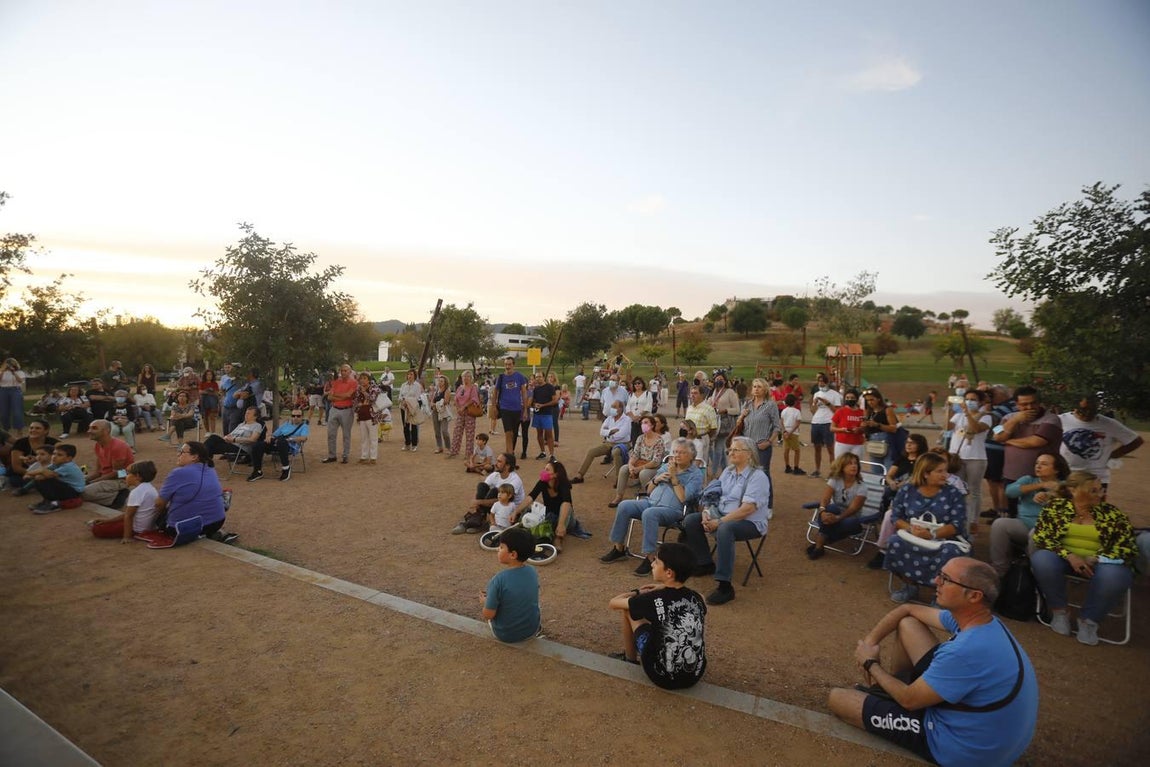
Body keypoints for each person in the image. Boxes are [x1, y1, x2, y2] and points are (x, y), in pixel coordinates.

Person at [828, 557, 1038, 766]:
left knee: (837, 699)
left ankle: (892, 698)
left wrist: (870, 664)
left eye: (946, 579)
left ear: (974, 596)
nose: (936, 581)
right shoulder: (982, 624)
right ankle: (890, 694)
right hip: (990, 738)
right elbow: (908, 610)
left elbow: (909, 700)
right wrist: (871, 642)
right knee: (908, 624)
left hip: (961, 749)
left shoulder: (964, 652)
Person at [1030, 471, 1137, 645]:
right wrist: (1070, 556)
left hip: (1100, 562)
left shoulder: (1112, 514)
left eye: (1100, 490)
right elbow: (1042, 537)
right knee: (1042, 559)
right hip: (1064, 558)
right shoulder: (1056, 507)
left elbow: (1126, 547)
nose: (1100, 495)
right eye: (1093, 491)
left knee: (1115, 576)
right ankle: (1060, 611)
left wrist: (1094, 558)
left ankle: (1089, 621)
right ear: (1073, 490)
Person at [681, 436, 771, 606]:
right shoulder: (728, 471)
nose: (730, 452)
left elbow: (747, 510)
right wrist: (707, 512)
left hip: (750, 523)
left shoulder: (758, 477)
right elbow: (713, 495)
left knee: (725, 529)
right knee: (692, 520)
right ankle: (705, 562)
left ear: (749, 454)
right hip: (722, 514)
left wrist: (720, 521)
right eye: (730, 449)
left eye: (736, 449)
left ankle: (725, 586)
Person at [606, 542, 707, 689]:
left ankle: (630, 659)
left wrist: (637, 593)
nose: (652, 564)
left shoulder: (652, 599)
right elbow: (697, 597)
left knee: (629, 610)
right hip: (694, 676)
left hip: (661, 676)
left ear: (669, 573)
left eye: (657, 562)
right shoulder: (697, 598)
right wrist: (663, 586)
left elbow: (613, 603)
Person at [601, 438, 704, 576]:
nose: (677, 455)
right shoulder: (666, 466)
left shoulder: (695, 474)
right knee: (624, 505)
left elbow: (683, 498)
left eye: (682, 453)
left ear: (691, 456)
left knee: (650, 514)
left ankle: (650, 558)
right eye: (675, 452)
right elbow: (648, 490)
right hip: (651, 501)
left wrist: (674, 478)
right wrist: (656, 480)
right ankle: (619, 548)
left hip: (674, 510)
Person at [884, 453, 969, 604]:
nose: (946, 475)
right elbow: (896, 517)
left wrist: (932, 534)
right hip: (913, 534)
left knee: (949, 552)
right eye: (940, 471)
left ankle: (939, 595)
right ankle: (910, 586)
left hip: (945, 538)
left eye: (946, 471)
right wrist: (911, 529)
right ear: (925, 473)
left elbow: (957, 525)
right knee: (895, 542)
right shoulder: (907, 490)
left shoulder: (953, 494)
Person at [990, 454, 1070, 576]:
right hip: (1024, 524)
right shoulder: (1028, 480)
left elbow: (1072, 503)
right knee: (1000, 523)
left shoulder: (1064, 485)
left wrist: (1052, 495)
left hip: (1050, 528)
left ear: (1057, 469)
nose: (1038, 466)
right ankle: (999, 570)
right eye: (1037, 463)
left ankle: (1036, 573)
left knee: (1036, 533)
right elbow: (1009, 492)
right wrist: (1040, 485)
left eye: (1044, 464)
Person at [993, 385, 1061, 519]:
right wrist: (1015, 420)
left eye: (1033, 403)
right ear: (1017, 404)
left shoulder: (1051, 419)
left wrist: (1008, 441)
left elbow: (1036, 442)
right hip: (1011, 475)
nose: (1029, 408)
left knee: (1036, 511)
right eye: (1024, 404)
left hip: (1040, 476)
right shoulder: (1008, 417)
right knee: (1011, 512)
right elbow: (996, 435)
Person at [1058, 394, 1142, 498]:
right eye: (1084, 409)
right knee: (1063, 509)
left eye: (1092, 410)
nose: (1088, 413)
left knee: (1095, 510)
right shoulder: (1060, 420)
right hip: (1067, 475)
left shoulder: (1108, 424)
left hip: (1097, 477)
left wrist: (1113, 455)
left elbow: (1136, 441)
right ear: (1075, 406)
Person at [155, 441, 228, 540]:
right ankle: (207, 534)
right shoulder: (210, 469)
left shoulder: (178, 473)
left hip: (181, 528)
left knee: (159, 519)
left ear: (194, 457)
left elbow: (159, 504)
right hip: (217, 522)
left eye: (182, 452)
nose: (178, 454)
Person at [481, 526, 541, 644]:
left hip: (506, 634)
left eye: (502, 547)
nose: (498, 549)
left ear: (513, 555)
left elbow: (488, 615)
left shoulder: (498, 580)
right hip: (531, 630)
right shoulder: (532, 571)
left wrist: (485, 602)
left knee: (492, 609)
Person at [806, 453, 870, 560]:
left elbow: (853, 509)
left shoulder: (861, 487)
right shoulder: (835, 480)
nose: (854, 466)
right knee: (830, 509)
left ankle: (819, 545)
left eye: (855, 464)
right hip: (834, 515)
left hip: (850, 518)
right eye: (850, 464)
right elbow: (825, 499)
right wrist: (822, 512)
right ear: (842, 466)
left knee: (849, 522)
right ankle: (820, 546)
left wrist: (837, 518)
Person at [512, 458, 582, 553]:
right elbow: (530, 497)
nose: (543, 471)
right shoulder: (543, 482)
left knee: (566, 507)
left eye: (547, 470)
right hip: (549, 516)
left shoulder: (564, 484)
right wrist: (516, 511)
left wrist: (561, 524)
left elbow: (566, 503)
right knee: (530, 508)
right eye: (544, 468)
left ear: (555, 475)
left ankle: (558, 538)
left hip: (565, 519)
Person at [948, 389, 992, 531]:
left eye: (973, 399)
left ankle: (973, 520)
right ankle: (956, 517)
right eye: (967, 399)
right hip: (957, 457)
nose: (969, 402)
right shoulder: (958, 416)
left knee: (973, 490)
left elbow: (976, 428)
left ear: (979, 402)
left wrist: (968, 413)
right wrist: (948, 408)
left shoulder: (986, 417)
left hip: (976, 458)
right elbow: (947, 427)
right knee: (955, 487)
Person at [452, 453, 525, 534]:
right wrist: (475, 501)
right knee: (482, 485)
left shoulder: (514, 480)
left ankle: (473, 521)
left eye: (499, 462)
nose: (495, 464)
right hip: (499, 506)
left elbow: (503, 500)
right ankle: (479, 518)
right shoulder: (495, 475)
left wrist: (479, 502)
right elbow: (482, 488)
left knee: (495, 491)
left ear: (507, 466)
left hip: (510, 510)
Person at [736, 378, 783, 506]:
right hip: (746, 446)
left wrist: (769, 442)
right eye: (754, 386)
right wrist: (741, 416)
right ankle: (746, 503)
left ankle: (768, 505)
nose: (756, 389)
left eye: (759, 387)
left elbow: (777, 427)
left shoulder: (770, 405)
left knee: (763, 475)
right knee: (745, 474)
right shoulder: (747, 404)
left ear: (765, 390)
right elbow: (738, 424)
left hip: (762, 446)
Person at [88, 460, 158, 541]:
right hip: (146, 526)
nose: (125, 476)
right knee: (106, 523)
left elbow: (129, 516)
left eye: (128, 474)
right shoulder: (150, 488)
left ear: (137, 476)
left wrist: (127, 537)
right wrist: (107, 521)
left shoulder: (136, 492)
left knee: (97, 529)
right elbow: (128, 513)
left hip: (137, 529)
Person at [609, 414, 666, 508]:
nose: (643, 425)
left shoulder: (659, 440)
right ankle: (618, 496)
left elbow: (656, 461)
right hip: (639, 463)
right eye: (642, 423)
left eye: (646, 422)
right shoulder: (641, 438)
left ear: (652, 425)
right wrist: (631, 465)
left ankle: (648, 497)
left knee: (643, 473)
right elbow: (635, 454)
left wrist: (639, 468)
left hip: (653, 467)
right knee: (624, 469)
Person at [570, 401, 631, 483]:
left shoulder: (626, 420)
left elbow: (622, 434)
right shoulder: (609, 418)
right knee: (591, 452)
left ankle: (619, 479)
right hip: (609, 443)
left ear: (620, 409)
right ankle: (580, 475)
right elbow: (601, 432)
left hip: (623, 444)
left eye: (614, 407)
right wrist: (611, 431)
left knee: (616, 452)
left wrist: (608, 433)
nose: (612, 409)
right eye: (612, 406)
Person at [81, 419, 134, 508]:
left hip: (122, 478)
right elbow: (98, 471)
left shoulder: (117, 447)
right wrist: (85, 480)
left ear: (106, 431)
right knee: (78, 480)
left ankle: (117, 497)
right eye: (89, 428)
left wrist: (91, 482)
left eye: (94, 428)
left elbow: (117, 473)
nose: (89, 431)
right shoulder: (98, 445)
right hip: (107, 476)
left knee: (83, 492)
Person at [249, 407, 309, 482]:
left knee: (282, 441)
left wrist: (289, 439)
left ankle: (286, 469)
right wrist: (269, 437)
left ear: (302, 417)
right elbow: (274, 435)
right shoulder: (286, 424)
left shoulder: (304, 426)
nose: (295, 418)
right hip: (277, 443)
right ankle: (257, 471)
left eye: (298, 416)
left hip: (290, 446)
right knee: (257, 445)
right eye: (293, 416)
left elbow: (304, 438)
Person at [26, 443, 85, 513]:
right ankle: (47, 501)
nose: (54, 456)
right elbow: (35, 472)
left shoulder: (68, 466)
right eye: (54, 454)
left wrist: (40, 472)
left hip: (74, 493)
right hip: (67, 489)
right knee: (39, 479)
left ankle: (53, 505)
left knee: (45, 480)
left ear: (68, 458)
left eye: (59, 455)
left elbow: (46, 474)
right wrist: (38, 473)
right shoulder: (56, 464)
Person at [489, 356, 528, 456]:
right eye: (506, 364)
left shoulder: (519, 376)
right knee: (508, 432)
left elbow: (524, 393)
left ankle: (509, 453)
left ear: (513, 365)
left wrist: (525, 410)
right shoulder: (501, 377)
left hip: (517, 409)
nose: (507, 366)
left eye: (509, 364)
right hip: (505, 408)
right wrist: (493, 407)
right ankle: (509, 455)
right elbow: (495, 392)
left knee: (514, 433)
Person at [7, 419, 57, 491]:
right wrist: (36, 473)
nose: (33, 430)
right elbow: (16, 467)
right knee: (15, 480)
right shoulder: (20, 443)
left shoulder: (52, 442)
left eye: (37, 428)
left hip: (46, 471)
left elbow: (63, 457)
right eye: (31, 428)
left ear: (46, 430)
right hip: (23, 472)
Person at [808, 373, 842, 477]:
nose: (820, 383)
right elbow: (813, 411)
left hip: (828, 422)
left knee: (830, 448)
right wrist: (813, 404)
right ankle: (817, 470)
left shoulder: (834, 394)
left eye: (822, 381)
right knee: (817, 447)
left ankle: (833, 471)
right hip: (816, 422)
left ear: (827, 382)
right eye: (819, 381)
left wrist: (826, 402)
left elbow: (837, 411)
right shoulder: (816, 393)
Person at [706, 372, 739, 474]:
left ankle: (714, 472)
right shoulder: (712, 392)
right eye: (716, 379)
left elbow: (737, 410)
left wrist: (725, 410)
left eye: (720, 379)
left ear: (725, 381)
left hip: (724, 424)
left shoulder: (730, 392)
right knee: (715, 448)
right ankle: (725, 471)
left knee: (718, 448)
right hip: (712, 423)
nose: (718, 381)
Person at [323, 364, 357, 463]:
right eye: (342, 371)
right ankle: (332, 455)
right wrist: (342, 397)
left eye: (345, 370)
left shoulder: (353, 382)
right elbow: (329, 397)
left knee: (346, 434)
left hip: (347, 410)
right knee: (331, 434)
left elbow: (348, 395)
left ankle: (345, 455)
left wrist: (335, 395)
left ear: (350, 372)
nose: (343, 372)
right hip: (334, 409)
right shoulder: (336, 382)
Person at [683, 386, 718, 474]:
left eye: (695, 393)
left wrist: (705, 437)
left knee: (700, 465)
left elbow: (713, 428)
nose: (692, 395)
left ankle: (701, 484)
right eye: (691, 393)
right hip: (689, 439)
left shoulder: (708, 409)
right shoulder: (689, 408)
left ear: (702, 395)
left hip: (701, 439)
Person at [449, 370, 481, 460]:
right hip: (460, 413)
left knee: (469, 434)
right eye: (464, 376)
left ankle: (468, 454)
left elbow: (474, 399)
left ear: (471, 378)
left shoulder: (473, 387)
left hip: (470, 413)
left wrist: (464, 407)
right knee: (457, 432)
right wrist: (459, 408)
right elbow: (455, 398)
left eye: (468, 376)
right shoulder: (460, 388)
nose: (465, 378)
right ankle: (454, 451)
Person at [353, 371, 383, 465]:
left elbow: (372, 399)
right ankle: (364, 456)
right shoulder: (358, 389)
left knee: (373, 437)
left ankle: (373, 457)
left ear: (369, 380)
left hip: (372, 416)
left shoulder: (374, 388)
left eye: (364, 378)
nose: (362, 380)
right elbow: (356, 402)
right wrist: (359, 405)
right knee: (364, 437)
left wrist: (364, 392)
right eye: (361, 378)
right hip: (362, 415)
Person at [528, 371, 558, 459]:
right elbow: (533, 401)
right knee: (539, 434)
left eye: (540, 377)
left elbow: (555, 400)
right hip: (538, 414)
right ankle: (542, 452)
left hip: (547, 413)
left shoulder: (550, 387)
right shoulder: (536, 389)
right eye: (536, 377)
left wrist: (543, 405)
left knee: (549, 434)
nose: (538, 378)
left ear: (543, 377)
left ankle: (552, 454)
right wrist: (534, 404)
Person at [831, 389, 866, 460]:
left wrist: (860, 429)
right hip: (842, 443)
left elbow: (865, 427)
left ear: (856, 399)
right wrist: (842, 430)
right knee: (840, 464)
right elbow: (832, 428)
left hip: (857, 443)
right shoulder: (840, 411)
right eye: (847, 398)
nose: (849, 400)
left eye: (852, 398)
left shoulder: (862, 412)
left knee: (856, 464)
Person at [396, 368, 425, 454]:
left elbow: (416, 397)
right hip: (404, 407)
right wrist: (403, 401)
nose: (409, 376)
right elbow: (400, 396)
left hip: (413, 407)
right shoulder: (403, 385)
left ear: (414, 376)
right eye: (408, 374)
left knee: (414, 426)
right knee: (405, 426)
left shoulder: (417, 386)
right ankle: (407, 443)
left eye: (411, 374)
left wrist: (408, 402)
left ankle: (414, 444)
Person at [780, 394, 804, 476]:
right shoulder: (797, 411)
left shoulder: (784, 411)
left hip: (786, 431)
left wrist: (784, 432)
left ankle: (787, 466)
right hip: (793, 432)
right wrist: (790, 433)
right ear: (794, 402)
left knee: (786, 450)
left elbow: (781, 422)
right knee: (797, 450)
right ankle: (796, 467)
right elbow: (797, 424)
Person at [624, 377, 653, 443]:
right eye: (635, 383)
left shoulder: (647, 394)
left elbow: (648, 406)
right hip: (633, 420)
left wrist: (639, 416)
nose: (637, 385)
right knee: (634, 438)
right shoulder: (631, 394)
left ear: (642, 384)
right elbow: (628, 407)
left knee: (643, 438)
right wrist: (633, 417)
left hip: (644, 419)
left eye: (639, 383)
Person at [198, 368, 220, 434]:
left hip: (213, 402)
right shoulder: (202, 383)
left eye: (210, 374)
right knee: (205, 417)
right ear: (205, 375)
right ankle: (207, 432)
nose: (209, 376)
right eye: (207, 374)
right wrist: (209, 391)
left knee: (212, 417)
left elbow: (217, 393)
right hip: (204, 402)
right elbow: (200, 391)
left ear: (213, 375)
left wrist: (207, 392)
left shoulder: (215, 383)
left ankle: (213, 432)